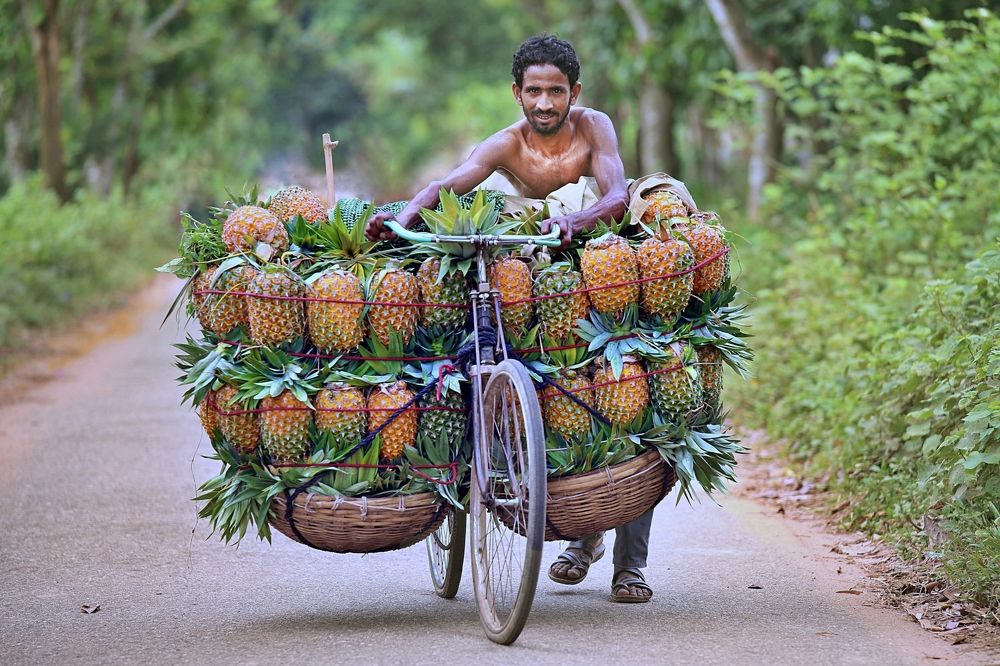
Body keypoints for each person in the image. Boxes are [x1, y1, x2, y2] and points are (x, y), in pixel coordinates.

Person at [365, 34, 695, 603]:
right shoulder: (505, 145)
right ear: (517, 93)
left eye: (556, 92)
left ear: (575, 93)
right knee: (559, 398)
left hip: (598, 261)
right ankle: (579, 532)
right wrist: (406, 213)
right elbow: (450, 181)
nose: (545, 103)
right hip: (530, 273)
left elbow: (616, 192)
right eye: (534, 92)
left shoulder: (596, 127)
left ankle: (629, 564)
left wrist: (581, 220)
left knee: (634, 389)